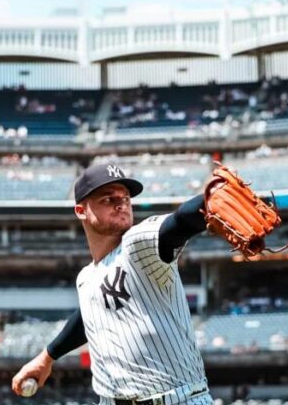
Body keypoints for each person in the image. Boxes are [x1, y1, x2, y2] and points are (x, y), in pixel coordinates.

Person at [12, 163, 212, 404]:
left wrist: (209, 200)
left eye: (125, 198)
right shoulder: (87, 277)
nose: (121, 204)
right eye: (108, 199)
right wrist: (46, 358)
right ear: (81, 211)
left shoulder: (137, 244)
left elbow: (179, 222)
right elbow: (89, 316)